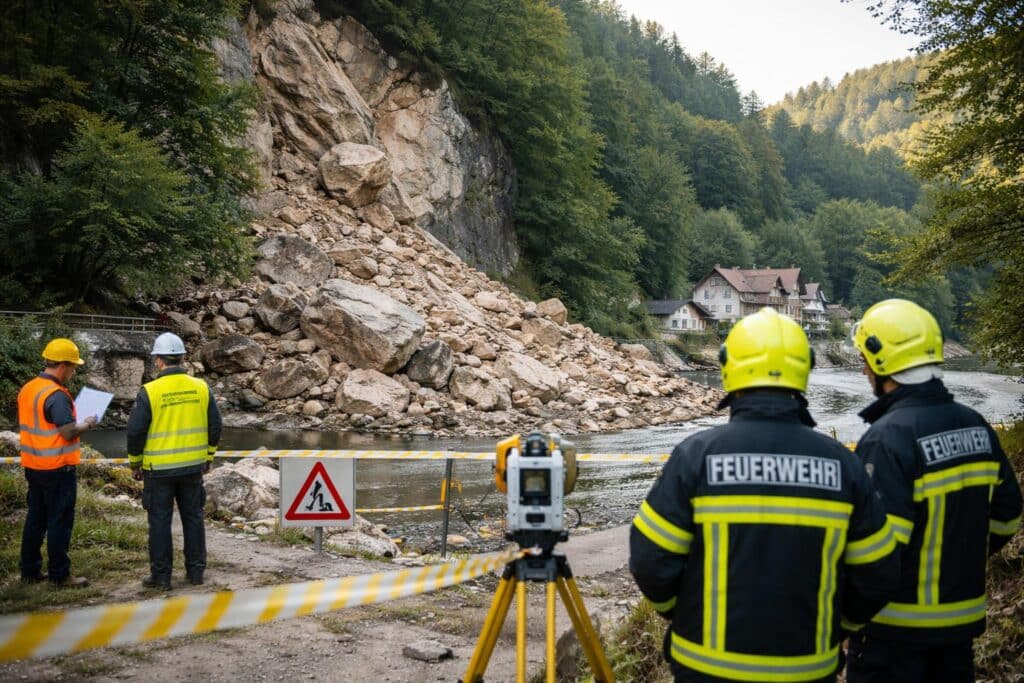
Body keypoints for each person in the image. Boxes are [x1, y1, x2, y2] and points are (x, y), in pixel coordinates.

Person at [630, 307, 900, 683]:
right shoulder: (844, 466)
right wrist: (838, 628)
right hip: (808, 669)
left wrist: (680, 612)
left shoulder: (696, 456)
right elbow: (878, 572)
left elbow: (650, 559)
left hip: (707, 667)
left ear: (729, 367)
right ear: (803, 369)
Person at [846, 299, 1023, 682]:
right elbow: (1008, 516)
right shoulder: (976, 425)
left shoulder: (887, 439)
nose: (862, 369)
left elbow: (879, 552)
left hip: (894, 635)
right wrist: (959, 550)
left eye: (864, 359)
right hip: (959, 628)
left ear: (881, 362)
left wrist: (846, 617)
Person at [127, 332, 222, 590]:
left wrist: (135, 464)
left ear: (158, 361)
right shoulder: (201, 387)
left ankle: (161, 576)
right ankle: (196, 573)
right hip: (192, 468)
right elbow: (215, 425)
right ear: (181, 358)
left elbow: (135, 432)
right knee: (193, 518)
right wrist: (208, 457)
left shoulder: (150, 391)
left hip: (158, 471)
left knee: (159, 521)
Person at [18, 337, 97, 587]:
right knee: (59, 521)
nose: (74, 372)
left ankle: (29, 571)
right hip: (57, 468)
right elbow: (67, 432)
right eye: (74, 367)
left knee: (36, 519)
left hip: (33, 466)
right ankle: (60, 574)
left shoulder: (29, 388)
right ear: (63, 365)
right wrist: (87, 423)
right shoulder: (56, 395)